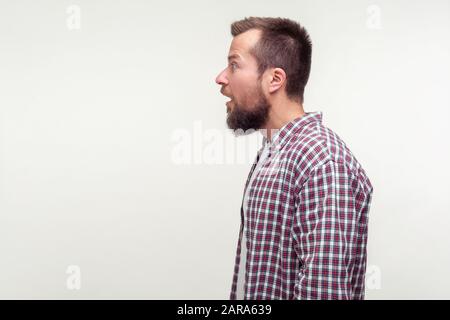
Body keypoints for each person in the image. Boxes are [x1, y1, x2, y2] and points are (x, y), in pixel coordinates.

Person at [215, 17, 373, 300]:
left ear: (274, 79)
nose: (221, 78)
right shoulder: (272, 152)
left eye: (234, 65)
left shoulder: (323, 163)